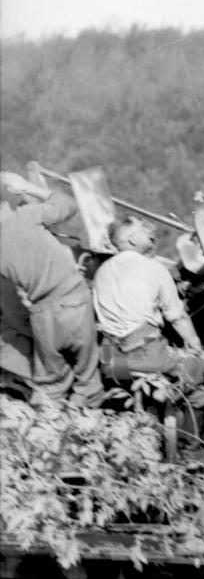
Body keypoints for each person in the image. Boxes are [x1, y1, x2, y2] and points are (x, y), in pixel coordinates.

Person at [0, 171, 104, 407]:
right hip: (75, 300)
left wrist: (32, 333)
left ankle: (47, 433)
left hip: (42, 315)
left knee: (51, 387)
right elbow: (67, 204)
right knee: (88, 382)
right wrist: (28, 186)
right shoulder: (26, 215)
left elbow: (11, 308)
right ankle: (90, 421)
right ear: (6, 201)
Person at [93, 216, 204, 409]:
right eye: (143, 229)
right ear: (132, 240)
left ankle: (140, 400)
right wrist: (197, 349)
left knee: (125, 375)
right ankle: (173, 412)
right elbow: (178, 317)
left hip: (111, 360)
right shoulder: (154, 269)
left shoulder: (102, 271)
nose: (149, 232)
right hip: (146, 355)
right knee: (200, 369)